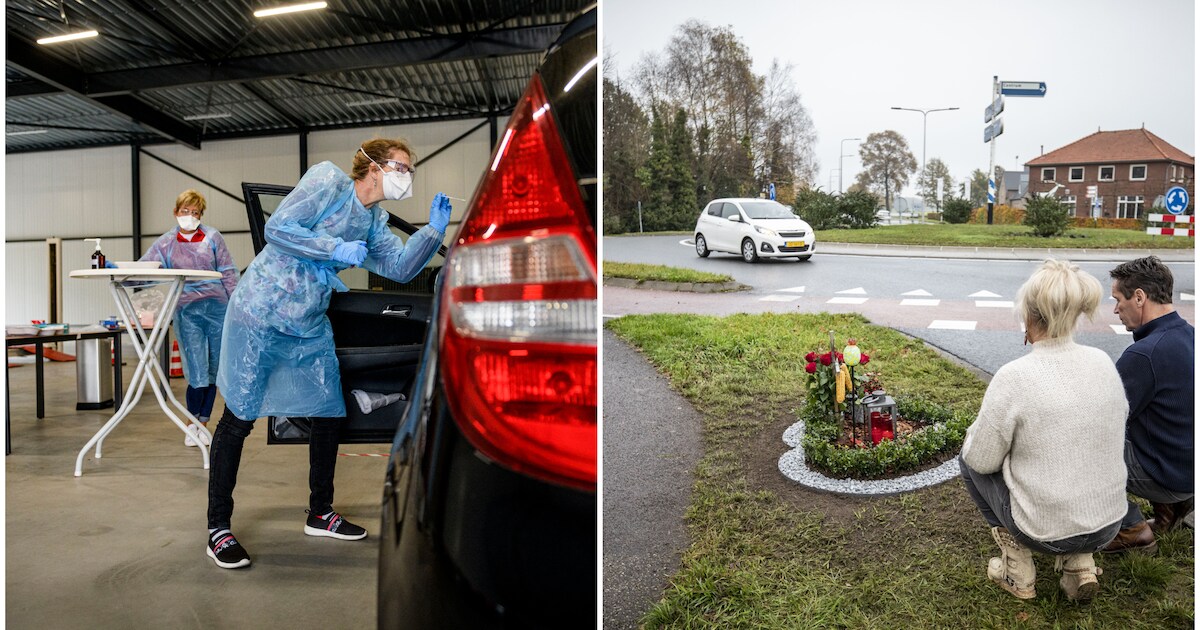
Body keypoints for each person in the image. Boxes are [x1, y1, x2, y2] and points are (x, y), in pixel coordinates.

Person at [205, 138, 451, 569]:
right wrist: (333, 249)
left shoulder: (374, 220)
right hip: (262, 310)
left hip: (307, 321)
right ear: (374, 166)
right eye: (401, 168)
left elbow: (398, 267)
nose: (407, 177)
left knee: (329, 410)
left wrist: (432, 233)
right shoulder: (327, 181)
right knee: (238, 417)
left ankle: (321, 512)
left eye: (409, 170)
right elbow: (277, 229)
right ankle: (218, 528)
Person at [959, 259, 1128, 602]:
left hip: (1044, 532)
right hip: (1107, 525)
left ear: (1029, 315)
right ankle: (1079, 565)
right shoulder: (1103, 362)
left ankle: (1017, 569)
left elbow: (982, 459)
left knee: (967, 455)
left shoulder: (1015, 376)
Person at [1102, 256, 1194, 555]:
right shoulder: (1190, 336)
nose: (1116, 309)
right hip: (1188, 467)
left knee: (1080, 445)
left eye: (1118, 299)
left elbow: (1104, 420)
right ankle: (1173, 508)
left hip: (1166, 473)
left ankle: (1131, 528)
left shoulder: (1144, 354)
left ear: (1139, 297)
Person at [139, 189, 239, 447]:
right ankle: (191, 423)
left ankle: (202, 424)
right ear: (175, 212)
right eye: (185, 211)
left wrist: (237, 306)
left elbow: (227, 272)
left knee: (215, 370)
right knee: (197, 371)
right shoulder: (166, 243)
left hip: (218, 308)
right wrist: (119, 272)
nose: (190, 216)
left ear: (201, 215)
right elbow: (147, 267)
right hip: (187, 310)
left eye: (195, 212)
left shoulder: (213, 237)